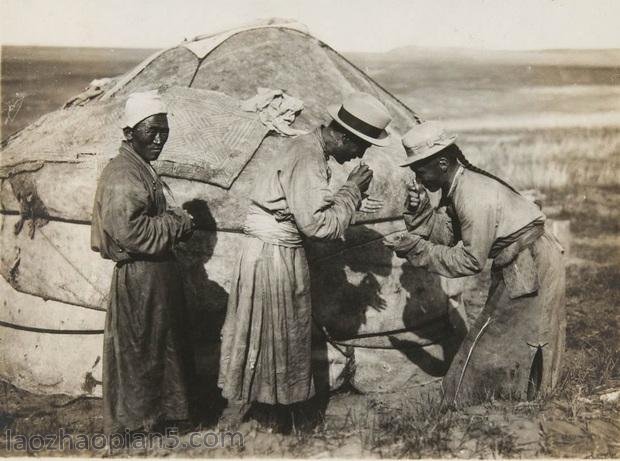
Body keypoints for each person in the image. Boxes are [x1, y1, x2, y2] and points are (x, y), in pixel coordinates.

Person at [218, 92, 393, 428]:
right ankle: (273, 417)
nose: (360, 154)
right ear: (343, 136)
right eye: (361, 146)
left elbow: (308, 208)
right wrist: (352, 191)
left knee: (272, 332)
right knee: (277, 332)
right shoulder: (308, 156)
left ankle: (269, 411)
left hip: (271, 252)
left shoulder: (308, 150)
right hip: (273, 256)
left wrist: (346, 198)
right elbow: (318, 225)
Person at [385, 121, 566, 407]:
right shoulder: (459, 186)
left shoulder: (472, 195)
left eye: (420, 172)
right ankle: (520, 399)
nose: (418, 180)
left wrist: (418, 250)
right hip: (524, 260)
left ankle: (502, 405)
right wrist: (419, 211)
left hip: (531, 262)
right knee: (511, 334)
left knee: (499, 337)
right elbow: (447, 233)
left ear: (442, 163)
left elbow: (470, 260)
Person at [91, 90, 199, 436]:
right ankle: (139, 424)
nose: (158, 139)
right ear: (129, 133)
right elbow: (131, 233)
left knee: (159, 345)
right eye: (151, 131)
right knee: (142, 349)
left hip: (155, 273)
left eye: (163, 132)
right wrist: (178, 222)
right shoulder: (124, 175)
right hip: (140, 275)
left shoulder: (139, 168)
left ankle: (165, 416)